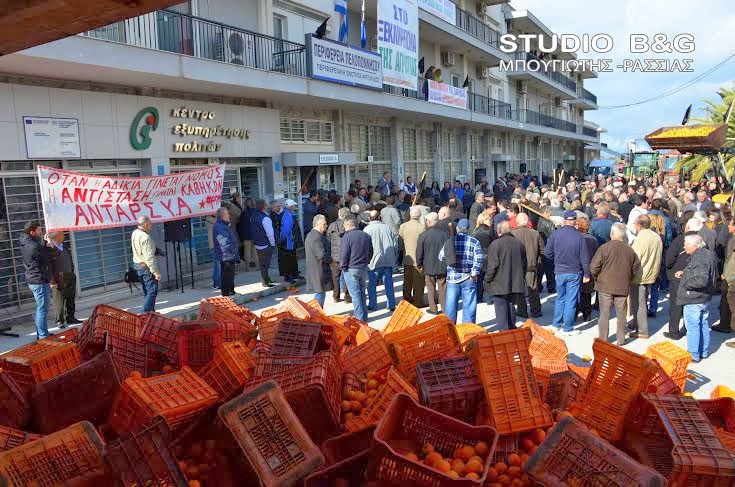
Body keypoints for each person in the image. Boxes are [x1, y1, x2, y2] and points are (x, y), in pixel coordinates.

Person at [543, 211, 592, 336]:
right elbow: (584, 258)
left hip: (560, 271)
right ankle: (568, 327)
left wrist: (556, 261)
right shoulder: (580, 237)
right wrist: (587, 274)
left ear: (565, 220)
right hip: (575, 272)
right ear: (575, 221)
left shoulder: (555, 235)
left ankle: (556, 324)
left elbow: (547, 253)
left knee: (560, 298)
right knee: (571, 300)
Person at [591, 223, 638, 346]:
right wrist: (628, 278)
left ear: (612, 234)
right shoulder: (630, 250)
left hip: (605, 286)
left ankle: (603, 339)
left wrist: (598, 277)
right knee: (621, 315)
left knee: (604, 314)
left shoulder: (604, 248)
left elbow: (593, 267)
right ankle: (621, 340)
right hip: (622, 286)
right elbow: (636, 268)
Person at [677, 234, 716, 362]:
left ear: (694, 245)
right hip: (704, 297)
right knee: (703, 324)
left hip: (695, 298)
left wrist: (685, 283)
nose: (684, 246)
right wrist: (685, 273)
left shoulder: (699, 258)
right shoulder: (707, 254)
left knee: (693, 326)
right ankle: (703, 352)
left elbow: (701, 280)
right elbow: (702, 273)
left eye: (686, 244)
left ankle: (693, 353)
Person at [441, 219, 484, 324]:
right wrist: (474, 272)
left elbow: (441, 257)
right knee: (469, 307)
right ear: (469, 229)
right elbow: (479, 259)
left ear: (457, 228)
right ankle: (467, 330)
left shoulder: (450, 241)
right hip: (468, 278)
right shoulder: (474, 242)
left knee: (450, 306)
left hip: (452, 278)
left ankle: (450, 330)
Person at [486, 221, 527, 329]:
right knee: (510, 306)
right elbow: (524, 264)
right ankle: (511, 328)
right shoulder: (519, 243)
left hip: (499, 283)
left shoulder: (495, 244)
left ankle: (504, 333)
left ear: (499, 231)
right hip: (515, 282)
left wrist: (487, 279)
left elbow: (492, 266)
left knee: (501, 310)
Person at [628, 215, 662, 339]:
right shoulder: (656, 236)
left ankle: (642, 330)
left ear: (639, 225)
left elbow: (634, 259)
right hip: (652, 273)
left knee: (639, 303)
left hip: (640, 276)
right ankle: (636, 323)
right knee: (642, 300)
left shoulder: (640, 238)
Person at [20, 221, 54, 339]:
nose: (41, 232)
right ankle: (43, 335)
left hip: (35, 279)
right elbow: (46, 256)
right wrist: (49, 244)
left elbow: (40, 253)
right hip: (39, 280)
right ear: (32, 232)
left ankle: (42, 333)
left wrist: (44, 243)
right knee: (42, 309)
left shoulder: (27, 243)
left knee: (41, 308)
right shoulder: (33, 246)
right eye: (39, 230)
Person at [340, 215, 373, 322]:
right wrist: (366, 261)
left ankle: (359, 319)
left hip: (351, 268)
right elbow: (371, 252)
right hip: (363, 267)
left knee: (355, 295)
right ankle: (364, 316)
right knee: (362, 293)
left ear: (348, 225)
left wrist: (343, 267)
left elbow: (344, 254)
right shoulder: (366, 235)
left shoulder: (347, 237)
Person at [364, 210, 398, 312]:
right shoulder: (387, 227)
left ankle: (373, 304)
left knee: (372, 285)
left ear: (369, 218)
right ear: (379, 217)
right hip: (388, 259)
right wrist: (394, 256)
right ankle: (391, 304)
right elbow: (395, 243)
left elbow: (365, 246)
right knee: (388, 283)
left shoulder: (367, 229)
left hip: (374, 261)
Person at [511, 213, 543, 318]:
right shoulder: (535, 233)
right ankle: (536, 310)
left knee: (519, 289)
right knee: (533, 289)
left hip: (517, 267)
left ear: (517, 222)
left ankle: (522, 310)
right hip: (531, 266)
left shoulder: (513, 234)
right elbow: (542, 250)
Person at [417, 212, 448, 315]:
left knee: (431, 288)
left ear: (429, 222)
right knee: (443, 288)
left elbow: (419, 252)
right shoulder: (444, 234)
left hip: (428, 266)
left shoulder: (424, 235)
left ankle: (433, 308)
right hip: (442, 265)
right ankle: (445, 308)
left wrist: (419, 264)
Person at [664, 218, 690, 340]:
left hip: (677, 276)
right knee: (688, 303)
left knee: (676, 304)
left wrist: (669, 268)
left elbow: (669, 258)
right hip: (691, 275)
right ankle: (687, 328)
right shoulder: (701, 240)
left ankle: (674, 331)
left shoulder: (680, 240)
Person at [50, 232, 80, 328]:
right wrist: (52, 281)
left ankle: (70, 317)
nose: (64, 235)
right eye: (62, 234)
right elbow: (49, 267)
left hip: (69, 275)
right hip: (58, 278)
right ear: (56, 236)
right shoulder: (50, 248)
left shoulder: (64, 245)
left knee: (70, 298)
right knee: (59, 300)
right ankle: (60, 320)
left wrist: (72, 270)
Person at [131, 216, 160, 313]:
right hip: (145, 267)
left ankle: (151, 313)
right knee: (152, 291)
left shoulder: (135, 232)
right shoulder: (146, 237)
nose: (151, 226)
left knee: (147, 291)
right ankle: (144, 313)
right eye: (150, 224)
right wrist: (156, 272)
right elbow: (149, 258)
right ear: (146, 224)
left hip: (138, 265)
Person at [399, 206, 426, 307]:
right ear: (419, 216)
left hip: (407, 257)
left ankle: (406, 299)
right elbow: (423, 244)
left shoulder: (403, 226)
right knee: (418, 283)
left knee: (407, 281)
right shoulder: (421, 227)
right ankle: (418, 301)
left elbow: (400, 243)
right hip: (418, 259)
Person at [304, 215, 332, 309]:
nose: (326, 225)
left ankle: (317, 314)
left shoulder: (314, 235)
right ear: (318, 224)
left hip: (316, 269)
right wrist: (330, 260)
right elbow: (321, 254)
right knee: (319, 294)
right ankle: (317, 314)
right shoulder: (316, 237)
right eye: (324, 224)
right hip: (318, 269)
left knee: (320, 293)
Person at [213, 207, 241, 297]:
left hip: (229, 255)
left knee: (231, 275)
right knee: (227, 276)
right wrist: (233, 251)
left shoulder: (224, 225)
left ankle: (231, 292)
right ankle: (227, 294)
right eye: (227, 214)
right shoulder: (219, 227)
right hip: (226, 255)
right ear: (222, 216)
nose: (229, 215)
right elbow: (224, 242)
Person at [576, 217, 599, 321]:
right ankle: (587, 314)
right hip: (588, 268)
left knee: (576, 293)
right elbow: (596, 256)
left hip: (576, 268)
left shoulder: (575, 238)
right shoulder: (593, 240)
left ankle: (575, 313)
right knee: (587, 293)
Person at [327, 207, 352, 303]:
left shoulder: (332, 225)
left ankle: (336, 296)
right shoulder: (349, 226)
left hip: (334, 256)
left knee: (335, 278)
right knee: (347, 277)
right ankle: (347, 297)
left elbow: (328, 239)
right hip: (347, 255)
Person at [251, 199, 276, 288]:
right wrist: (273, 244)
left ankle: (266, 279)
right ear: (263, 207)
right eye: (266, 204)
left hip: (257, 243)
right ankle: (265, 281)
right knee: (266, 264)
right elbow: (270, 233)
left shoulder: (253, 216)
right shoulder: (265, 218)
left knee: (262, 264)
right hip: (265, 243)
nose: (267, 206)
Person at [278, 199, 300, 283]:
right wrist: (283, 239)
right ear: (290, 207)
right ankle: (288, 276)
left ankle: (292, 274)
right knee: (288, 258)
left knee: (291, 257)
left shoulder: (289, 214)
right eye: (294, 205)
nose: (295, 206)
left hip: (290, 240)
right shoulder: (287, 215)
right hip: (288, 241)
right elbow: (286, 230)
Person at [537, 206, 556, 294]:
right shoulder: (548, 223)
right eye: (549, 212)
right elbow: (553, 236)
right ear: (545, 212)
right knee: (549, 270)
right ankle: (551, 287)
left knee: (540, 269)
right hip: (548, 248)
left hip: (539, 247)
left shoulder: (537, 221)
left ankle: (539, 286)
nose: (550, 214)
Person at [239, 198, 258, 270]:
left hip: (246, 235)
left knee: (247, 251)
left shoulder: (244, 213)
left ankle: (247, 267)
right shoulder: (257, 212)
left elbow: (241, 225)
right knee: (255, 251)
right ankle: (258, 266)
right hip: (255, 234)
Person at [206, 214, 220, 289]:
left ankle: (218, 282)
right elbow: (221, 222)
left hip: (219, 244)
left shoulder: (216, 219)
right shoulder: (209, 219)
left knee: (218, 264)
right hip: (214, 245)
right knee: (218, 264)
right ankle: (217, 283)